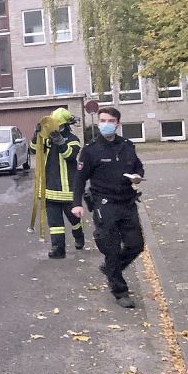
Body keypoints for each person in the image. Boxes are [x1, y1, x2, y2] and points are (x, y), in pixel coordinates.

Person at [72, 106, 145, 309]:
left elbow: (138, 166)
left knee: (136, 245)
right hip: (105, 204)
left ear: (118, 124)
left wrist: (138, 176)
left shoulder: (127, 146)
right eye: (102, 120)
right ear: (98, 123)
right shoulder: (91, 149)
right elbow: (79, 179)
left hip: (127, 202)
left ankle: (111, 269)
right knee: (111, 249)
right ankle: (120, 291)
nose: (106, 124)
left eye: (110, 121)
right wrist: (76, 204)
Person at [30, 108, 85, 258]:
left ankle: (78, 235)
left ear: (66, 125)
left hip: (68, 191)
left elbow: (70, 155)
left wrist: (60, 141)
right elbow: (33, 149)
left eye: (58, 125)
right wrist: (36, 135)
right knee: (55, 224)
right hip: (49, 190)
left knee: (74, 220)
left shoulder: (73, 139)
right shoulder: (46, 138)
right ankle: (58, 249)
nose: (55, 128)